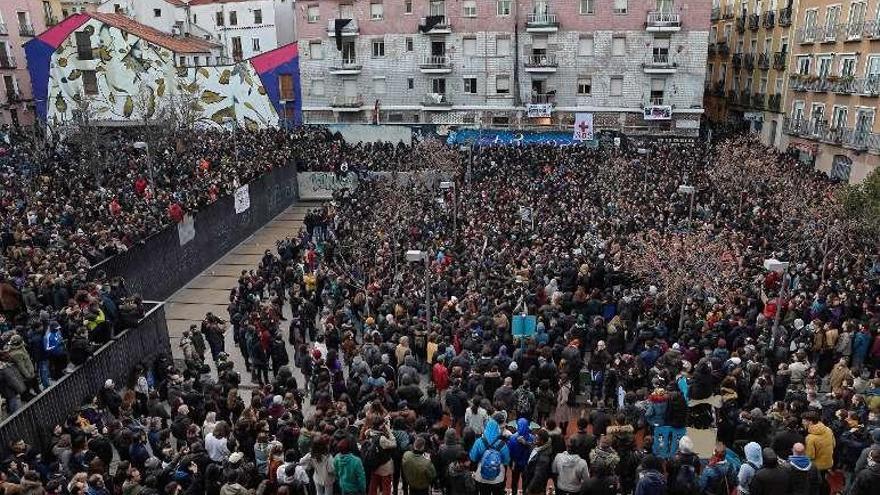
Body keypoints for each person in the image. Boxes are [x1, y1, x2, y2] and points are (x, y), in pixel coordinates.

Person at [468, 416, 510, 495]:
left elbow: (473, 457)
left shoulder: (479, 442)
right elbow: (506, 461)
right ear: (497, 429)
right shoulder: (502, 444)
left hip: (482, 476)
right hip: (498, 477)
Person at [363, 417, 396, 495]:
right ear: (380, 426)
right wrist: (389, 431)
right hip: (384, 465)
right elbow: (394, 444)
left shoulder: (369, 432)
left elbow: (367, 432)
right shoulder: (381, 439)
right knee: (386, 486)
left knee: (373, 485)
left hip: (374, 463)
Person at [507, 418, 534, 495]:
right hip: (527, 464)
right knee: (526, 482)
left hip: (516, 463)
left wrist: (510, 463)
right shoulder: (532, 438)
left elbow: (510, 453)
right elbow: (534, 450)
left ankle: (514, 493)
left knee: (514, 481)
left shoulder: (512, 438)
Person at [523, 430, 552, 495]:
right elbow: (533, 446)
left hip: (535, 487)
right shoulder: (539, 446)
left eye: (536, 439)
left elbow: (537, 476)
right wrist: (525, 443)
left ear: (542, 442)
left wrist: (529, 488)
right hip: (530, 479)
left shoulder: (543, 458)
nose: (534, 440)